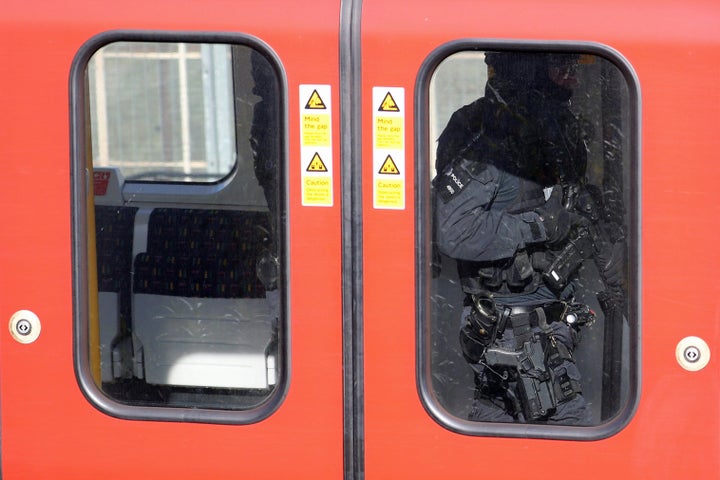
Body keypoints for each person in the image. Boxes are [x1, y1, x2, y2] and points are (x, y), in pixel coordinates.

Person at [433, 52, 620, 425]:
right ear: (529, 72)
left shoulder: (554, 131)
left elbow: (576, 209)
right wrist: (539, 226)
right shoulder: (491, 143)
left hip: (547, 323)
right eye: (560, 68)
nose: (572, 80)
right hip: (512, 332)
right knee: (568, 440)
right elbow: (454, 232)